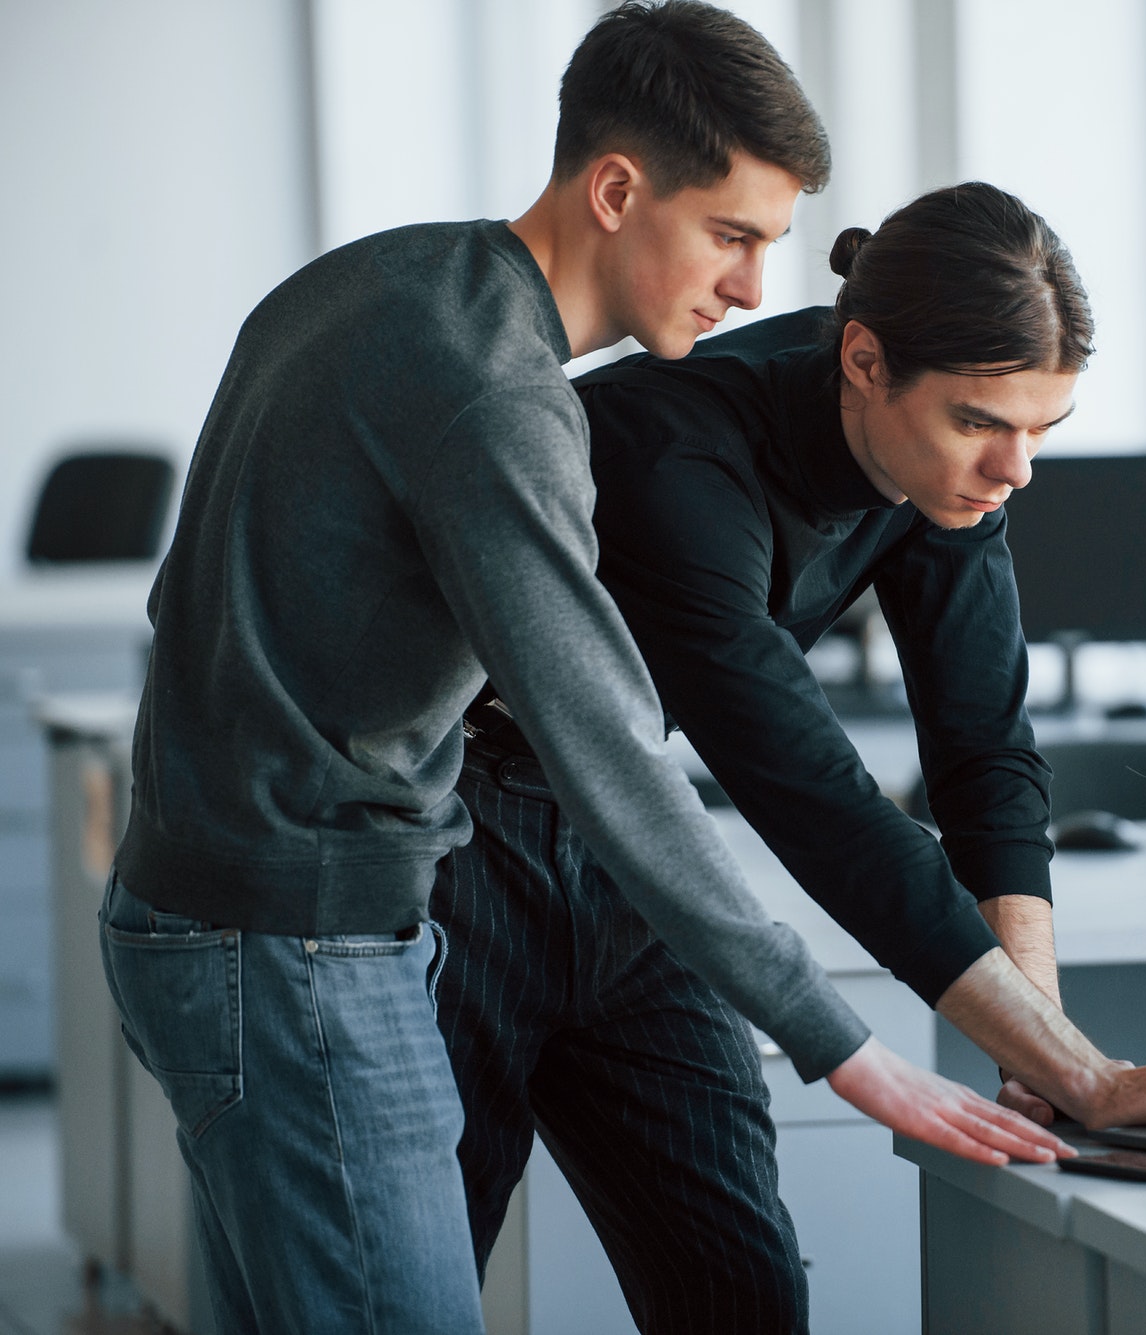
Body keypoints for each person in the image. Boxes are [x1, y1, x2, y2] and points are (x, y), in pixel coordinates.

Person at [98, 5, 1075, 1332]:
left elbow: (189, 597)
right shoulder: (506, 398)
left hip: (253, 903)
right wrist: (842, 1043)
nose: (748, 288)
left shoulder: (388, 280)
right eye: (731, 236)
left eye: (768, 247)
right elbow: (622, 750)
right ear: (617, 190)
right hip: (312, 920)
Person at [436, 180, 1146, 1332]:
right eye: (981, 423)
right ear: (865, 360)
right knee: (416, 1292)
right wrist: (1092, 1076)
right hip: (459, 844)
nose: (1014, 469)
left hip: (630, 848)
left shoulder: (950, 475)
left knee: (743, 1294)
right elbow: (821, 804)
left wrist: (1043, 1055)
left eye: (1042, 431)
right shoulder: (674, 457)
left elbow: (982, 754)